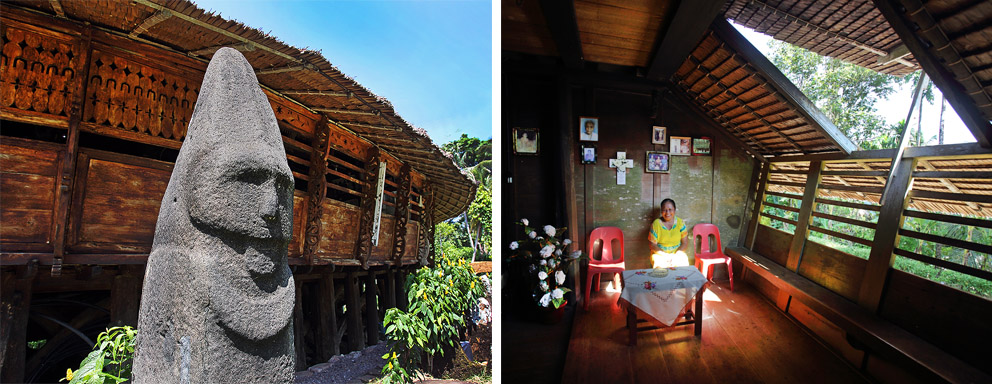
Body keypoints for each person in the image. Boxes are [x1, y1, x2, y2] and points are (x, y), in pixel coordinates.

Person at [648, 198, 689, 267]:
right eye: (664, 210)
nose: (667, 213)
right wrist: (665, 256)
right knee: (660, 268)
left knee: (683, 266)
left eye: (670, 210)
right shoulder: (656, 224)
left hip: (677, 254)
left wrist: (676, 256)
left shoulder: (680, 223)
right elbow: (652, 245)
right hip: (660, 254)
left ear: (674, 210)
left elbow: (685, 243)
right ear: (661, 211)